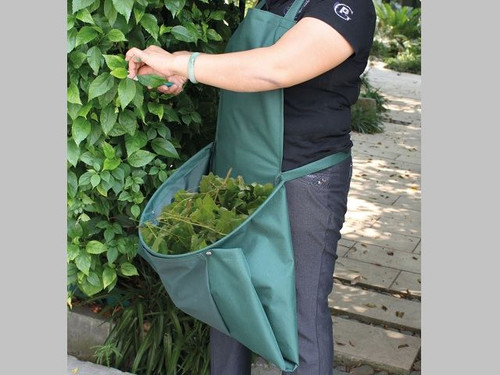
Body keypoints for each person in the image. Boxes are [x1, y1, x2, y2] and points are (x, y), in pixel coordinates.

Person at [126, 0, 376, 374]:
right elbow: (245, 68)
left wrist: (186, 64)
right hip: (239, 174)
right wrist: (179, 70)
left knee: (299, 313)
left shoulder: (347, 5)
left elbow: (276, 67)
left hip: (303, 178)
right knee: (229, 300)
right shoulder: (277, 1)